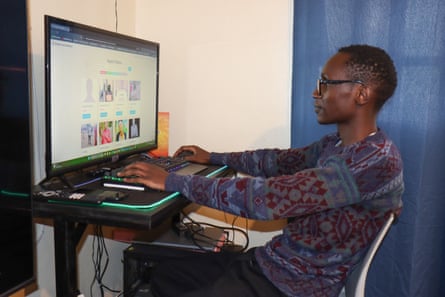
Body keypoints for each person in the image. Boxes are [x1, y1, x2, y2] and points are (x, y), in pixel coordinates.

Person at [118, 44, 404, 297]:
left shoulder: (372, 161)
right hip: (274, 263)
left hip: (296, 285)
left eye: (325, 83)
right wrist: (214, 157)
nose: (315, 93)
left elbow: (268, 199)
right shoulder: (338, 144)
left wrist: (171, 180)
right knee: (166, 277)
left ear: (361, 93)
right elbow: (277, 162)